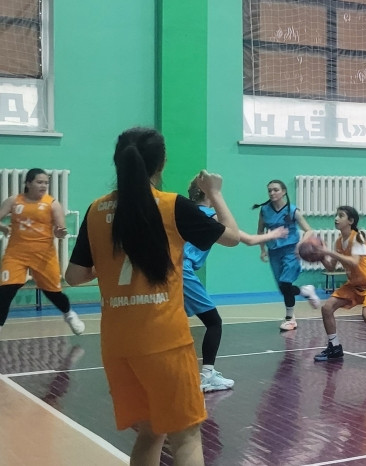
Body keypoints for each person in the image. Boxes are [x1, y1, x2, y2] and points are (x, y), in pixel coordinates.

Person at [65, 127, 241, 466]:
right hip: (163, 341)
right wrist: (215, 193)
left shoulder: (96, 210)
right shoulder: (171, 206)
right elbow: (232, 237)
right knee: (186, 435)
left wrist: (107, 265)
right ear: (161, 163)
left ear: (118, 161)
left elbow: (73, 277)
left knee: (149, 432)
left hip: (117, 344)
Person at [184, 177, 289, 393]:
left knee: (172, 323)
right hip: (182, 271)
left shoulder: (185, 212)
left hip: (168, 271)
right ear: (208, 193)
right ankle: (207, 375)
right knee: (214, 322)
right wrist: (274, 234)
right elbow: (246, 239)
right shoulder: (209, 216)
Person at [0, 168, 85, 337]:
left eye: (46, 182)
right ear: (28, 183)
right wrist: (3, 227)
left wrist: (60, 232)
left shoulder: (52, 204)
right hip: (16, 254)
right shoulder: (14, 201)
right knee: (6, 290)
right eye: (39, 182)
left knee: (52, 293)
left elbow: (60, 230)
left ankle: (69, 314)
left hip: (43, 255)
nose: (44, 186)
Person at [312, 205, 366, 363]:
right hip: (353, 285)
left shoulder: (358, 238)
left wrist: (329, 252)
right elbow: (330, 267)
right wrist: (321, 255)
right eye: (336, 215)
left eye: (341, 216)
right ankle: (334, 347)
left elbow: (354, 262)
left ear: (350, 221)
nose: (336, 218)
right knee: (327, 308)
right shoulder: (339, 242)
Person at [253, 180, 320, 331]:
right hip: (274, 251)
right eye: (269, 190)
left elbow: (309, 230)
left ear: (283, 192)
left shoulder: (292, 210)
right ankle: (305, 291)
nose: (272, 193)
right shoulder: (264, 210)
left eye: (275, 190)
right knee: (282, 288)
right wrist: (262, 249)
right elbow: (260, 231)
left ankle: (290, 318)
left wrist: (300, 244)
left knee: (285, 283)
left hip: (291, 250)